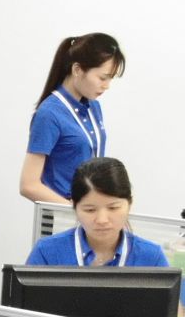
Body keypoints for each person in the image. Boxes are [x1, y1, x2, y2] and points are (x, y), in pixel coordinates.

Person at [19, 31, 124, 206]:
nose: (106, 86)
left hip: (88, 211)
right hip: (61, 214)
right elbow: (28, 185)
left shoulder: (93, 107)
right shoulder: (49, 114)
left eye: (110, 79)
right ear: (77, 70)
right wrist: (75, 210)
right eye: (102, 78)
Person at [25, 157, 169, 268]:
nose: (102, 220)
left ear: (129, 204)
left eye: (113, 208)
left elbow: (171, 299)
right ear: (75, 207)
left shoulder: (152, 258)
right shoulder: (47, 253)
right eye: (90, 210)